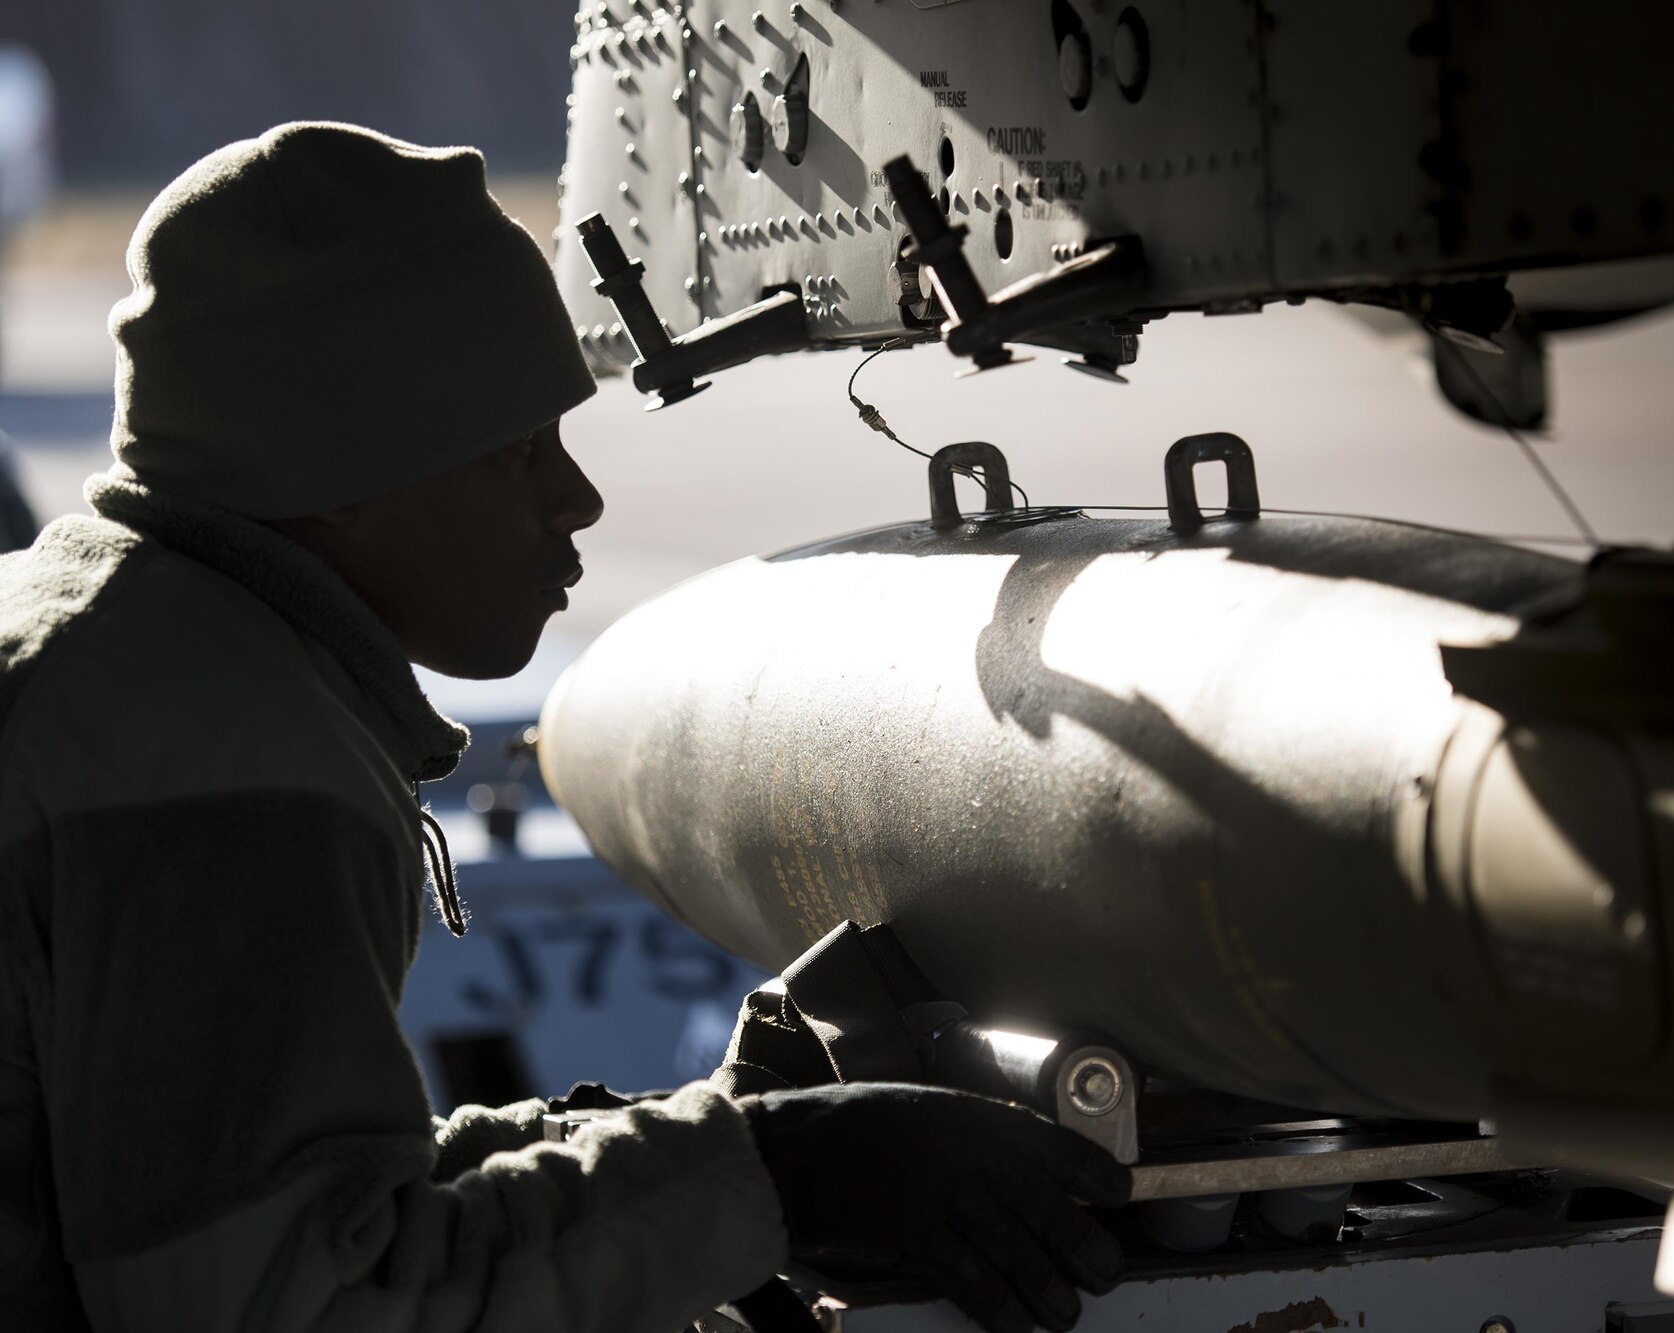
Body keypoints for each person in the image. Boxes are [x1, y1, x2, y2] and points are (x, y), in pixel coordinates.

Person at [0, 122, 1125, 1332]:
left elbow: (235, 1190)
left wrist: (659, 1149)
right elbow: (297, 1302)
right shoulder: (221, 760)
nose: (576, 500)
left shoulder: (113, 656)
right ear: (336, 479)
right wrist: (774, 1178)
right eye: (517, 449)